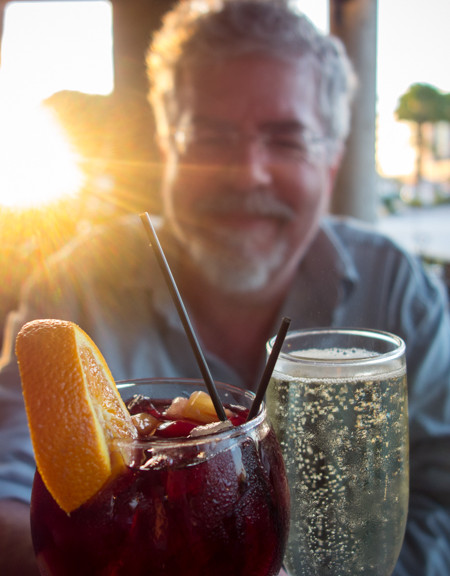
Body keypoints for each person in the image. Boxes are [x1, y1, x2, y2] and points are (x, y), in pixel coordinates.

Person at [1, 1, 449, 574]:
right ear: (167, 150)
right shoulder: (77, 286)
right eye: (209, 137)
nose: (245, 173)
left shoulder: (395, 288)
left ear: (332, 164)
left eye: (286, 140)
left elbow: (443, 493)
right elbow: (8, 481)